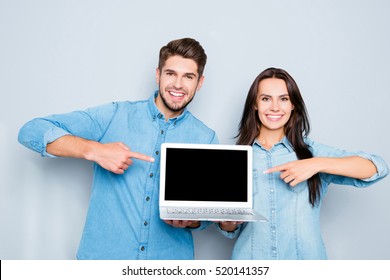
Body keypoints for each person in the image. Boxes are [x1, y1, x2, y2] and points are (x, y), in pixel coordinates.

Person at [18, 37, 218, 260]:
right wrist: (95, 150)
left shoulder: (206, 138)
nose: (178, 84)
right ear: (158, 75)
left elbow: (209, 211)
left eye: (188, 76)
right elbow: (31, 131)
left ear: (199, 82)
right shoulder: (115, 115)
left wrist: (193, 220)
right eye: (171, 73)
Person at [218, 67, 388, 259]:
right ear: (255, 105)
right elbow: (229, 229)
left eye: (283, 99)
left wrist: (315, 164)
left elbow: (377, 167)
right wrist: (228, 222)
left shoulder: (312, 153)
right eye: (266, 98)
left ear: (293, 105)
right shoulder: (235, 158)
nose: (275, 107)